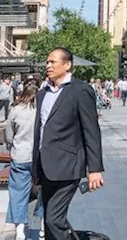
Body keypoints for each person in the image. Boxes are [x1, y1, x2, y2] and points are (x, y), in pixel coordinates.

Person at [34, 48, 104, 240]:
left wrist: (95, 168)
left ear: (67, 65)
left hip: (68, 165)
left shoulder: (80, 90)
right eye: (47, 62)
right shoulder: (42, 94)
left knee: (53, 220)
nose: (48, 65)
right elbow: (39, 131)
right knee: (49, 219)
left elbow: (91, 130)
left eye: (53, 62)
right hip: (45, 166)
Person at [4, 82, 43, 239]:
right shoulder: (41, 111)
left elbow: (8, 134)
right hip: (39, 156)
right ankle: (42, 226)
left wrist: (11, 147)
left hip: (20, 155)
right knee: (44, 191)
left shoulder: (15, 110)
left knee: (18, 192)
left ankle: (20, 228)